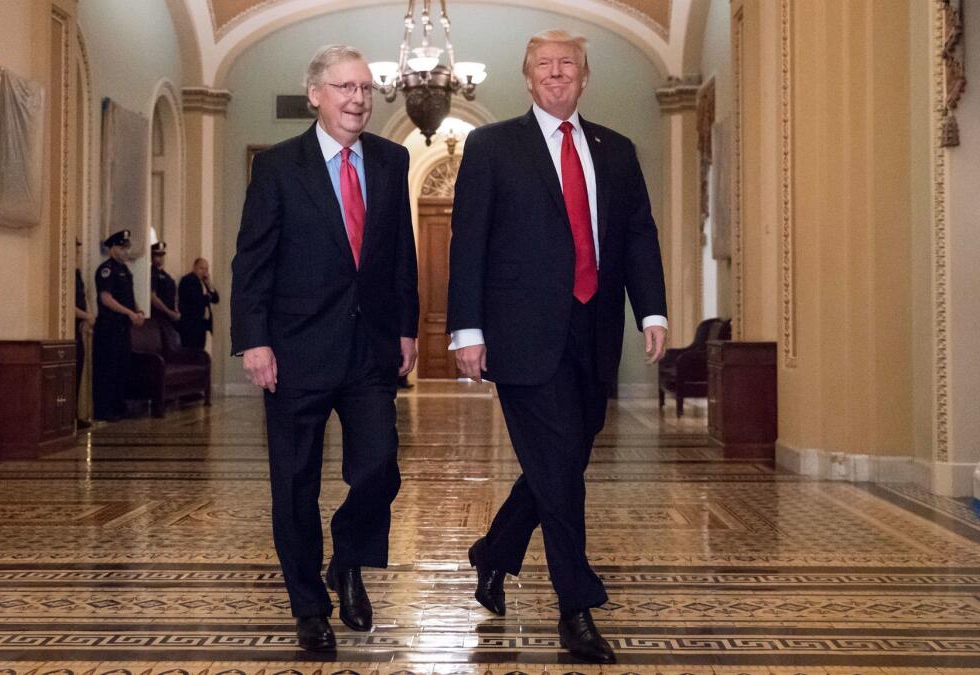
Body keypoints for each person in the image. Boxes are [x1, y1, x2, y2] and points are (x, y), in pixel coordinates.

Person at [446, 29, 668, 664]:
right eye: (543, 64)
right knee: (561, 471)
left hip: (593, 332)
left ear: (584, 77)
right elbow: (469, 245)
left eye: (567, 64)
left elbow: (638, 237)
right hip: (521, 337)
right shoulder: (491, 146)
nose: (556, 73)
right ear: (527, 77)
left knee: (561, 463)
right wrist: (468, 330)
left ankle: (494, 553)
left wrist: (650, 310)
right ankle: (576, 606)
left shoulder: (618, 151)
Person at [231, 44, 419, 652]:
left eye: (365, 88)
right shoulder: (280, 167)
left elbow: (400, 255)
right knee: (294, 484)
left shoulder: (391, 161)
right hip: (295, 351)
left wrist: (407, 327)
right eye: (345, 88)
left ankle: (348, 560)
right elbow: (252, 261)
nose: (358, 99)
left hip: (369, 351)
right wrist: (253, 341)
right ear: (315, 95)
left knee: (379, 467)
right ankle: (308, 608)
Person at [93, 229, 145, 422]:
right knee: (108, 369)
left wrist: (138, 311)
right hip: (109, 328)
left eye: (127, 248)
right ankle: (103, 409)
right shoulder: (106, 270)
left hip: (123, 328)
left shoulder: (125, 270)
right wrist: (129, 313)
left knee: (121, 368)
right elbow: (106, 299)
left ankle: (117, 406)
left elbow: (129, 298)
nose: (125, 252)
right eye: (122, 248)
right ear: (112, 248)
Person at [74, 238, 95, 427]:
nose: (77, 254)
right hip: (69, 329)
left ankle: (74, 415)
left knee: (78, 371)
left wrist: (88, 317)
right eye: (75, 250)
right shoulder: (66, 274)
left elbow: (83, 298)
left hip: (79, 328)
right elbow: (67, 304)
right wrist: (86, 316)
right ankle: (70, 416)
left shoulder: (76, 274)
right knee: (72, 372)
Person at [177, 257, 219, 350]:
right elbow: (195, 299)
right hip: (190, 324)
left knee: (200, 351)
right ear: (194, 268)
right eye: (201, 268)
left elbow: (216, 299)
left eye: (206, 269)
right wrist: (207, 296)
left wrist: (209, 284)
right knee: (190, 351)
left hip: (201, 324)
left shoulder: (204, 283)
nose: (204, 271)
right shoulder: (188, 280)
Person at [150, 241, 180, 325]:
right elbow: (152, 296)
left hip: (168, 318)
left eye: (162, 255)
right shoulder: (151, 273)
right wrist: (168, 312)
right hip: (157, 317)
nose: (161, 258)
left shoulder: (165, 275)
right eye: (158, 255)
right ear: (152, 256)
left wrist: (175, 310)